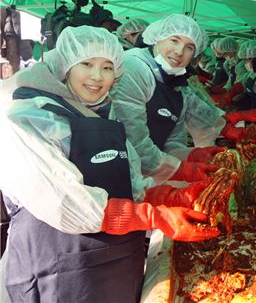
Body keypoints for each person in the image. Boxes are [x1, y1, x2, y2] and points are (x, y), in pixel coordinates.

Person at [0, 26, 219, 302]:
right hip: (59, 271)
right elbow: (69, 204)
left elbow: (130, 178)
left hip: (117, 265)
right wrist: (155, 216)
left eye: (107, 67)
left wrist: (169, 195)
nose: (97, 76)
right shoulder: (29, 118)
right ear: (65, 65)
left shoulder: (103, 112)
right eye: (87, 64)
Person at [110, 15, 238, 182]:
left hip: (145, 179)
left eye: (189, 47)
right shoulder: (133, 68)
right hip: (117, 176)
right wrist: (182, 169)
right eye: (174, 40)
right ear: (157, 38)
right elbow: (134, 142)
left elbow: (172, 142)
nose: (179, 52)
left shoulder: (176, 84)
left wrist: (191, 154)